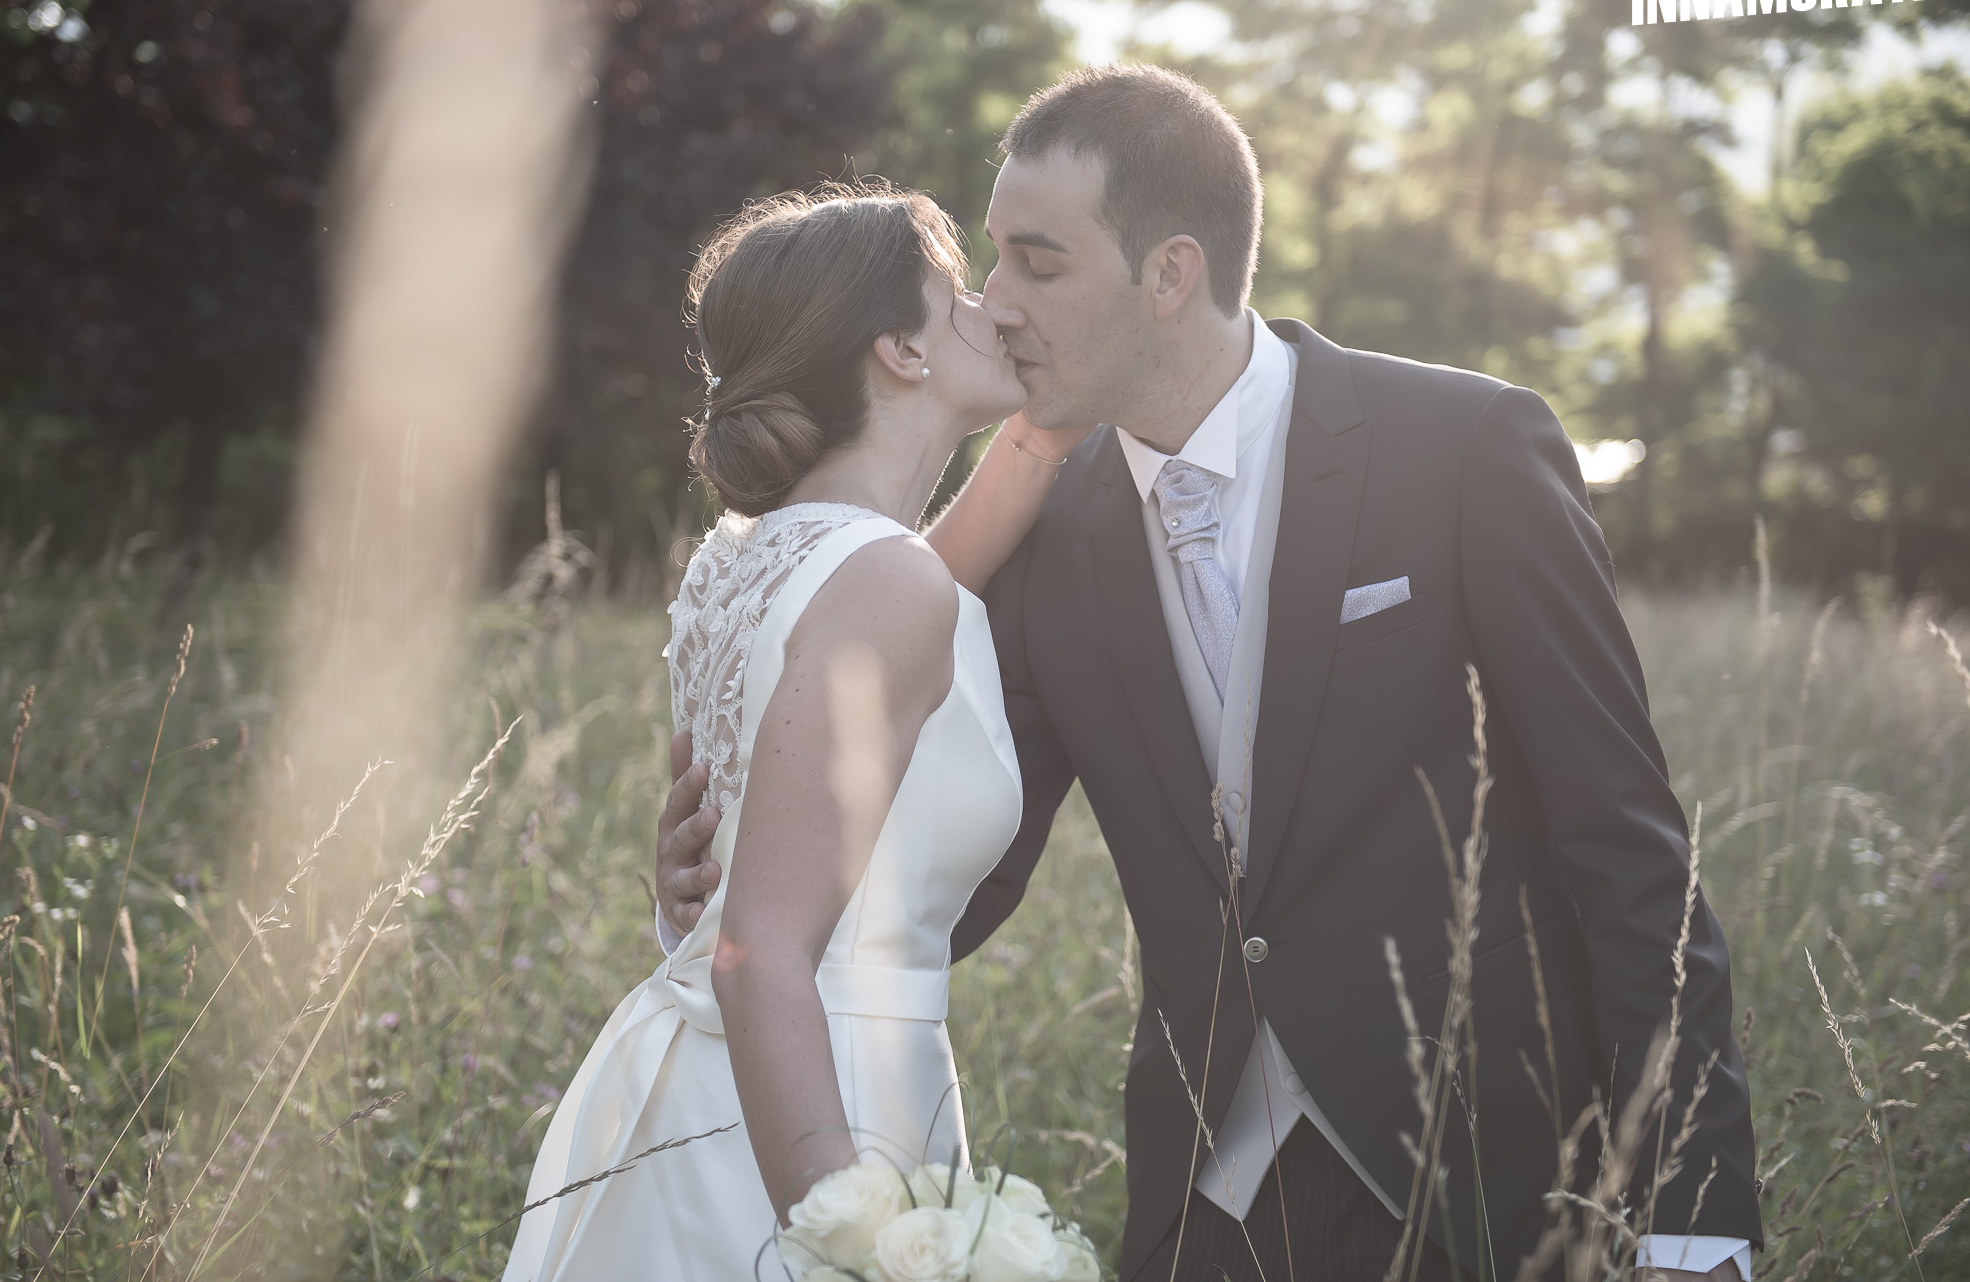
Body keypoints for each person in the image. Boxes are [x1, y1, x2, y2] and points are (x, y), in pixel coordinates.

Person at [657, 67, 1762, 1281]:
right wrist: (734, 877)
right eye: (991, 261)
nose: (994, 303)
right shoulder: (1046, 528)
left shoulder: (1462, 450)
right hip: (1210, 1204)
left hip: (1496, 1188)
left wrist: (1690, 1217)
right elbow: (957, 876)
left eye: (1038, 262)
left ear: (1169, 273)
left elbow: (1628, 851)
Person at [503, 183, 1078, 1280]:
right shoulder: (880, 580)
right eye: (956, 291)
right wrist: (857, 1243)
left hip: (704, 1088)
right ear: (899, 352)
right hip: (815, 1112)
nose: (995, 311)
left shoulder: (753, 553)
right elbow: (760, 948)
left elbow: (904, 593)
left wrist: (1048, 425)